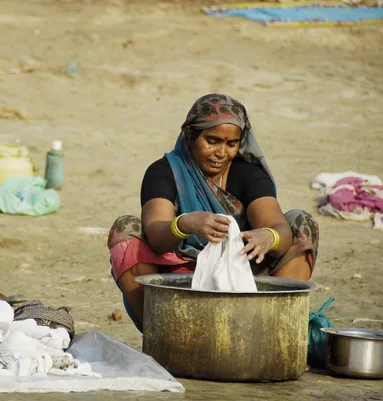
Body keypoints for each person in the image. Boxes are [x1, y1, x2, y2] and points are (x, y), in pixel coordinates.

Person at [107, 93, 319, 332]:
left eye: (231, 144)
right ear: (190, 135)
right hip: (181, 280)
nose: (221, 153)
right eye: (212, 140)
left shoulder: (248, 174)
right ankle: (166, 336)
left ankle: (267, 333)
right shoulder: (165, 172)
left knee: (301, 223)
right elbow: (156, 234)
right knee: (125, 230)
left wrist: (269, 236)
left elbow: (280, 230)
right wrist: (184, 224)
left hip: (243, 280)